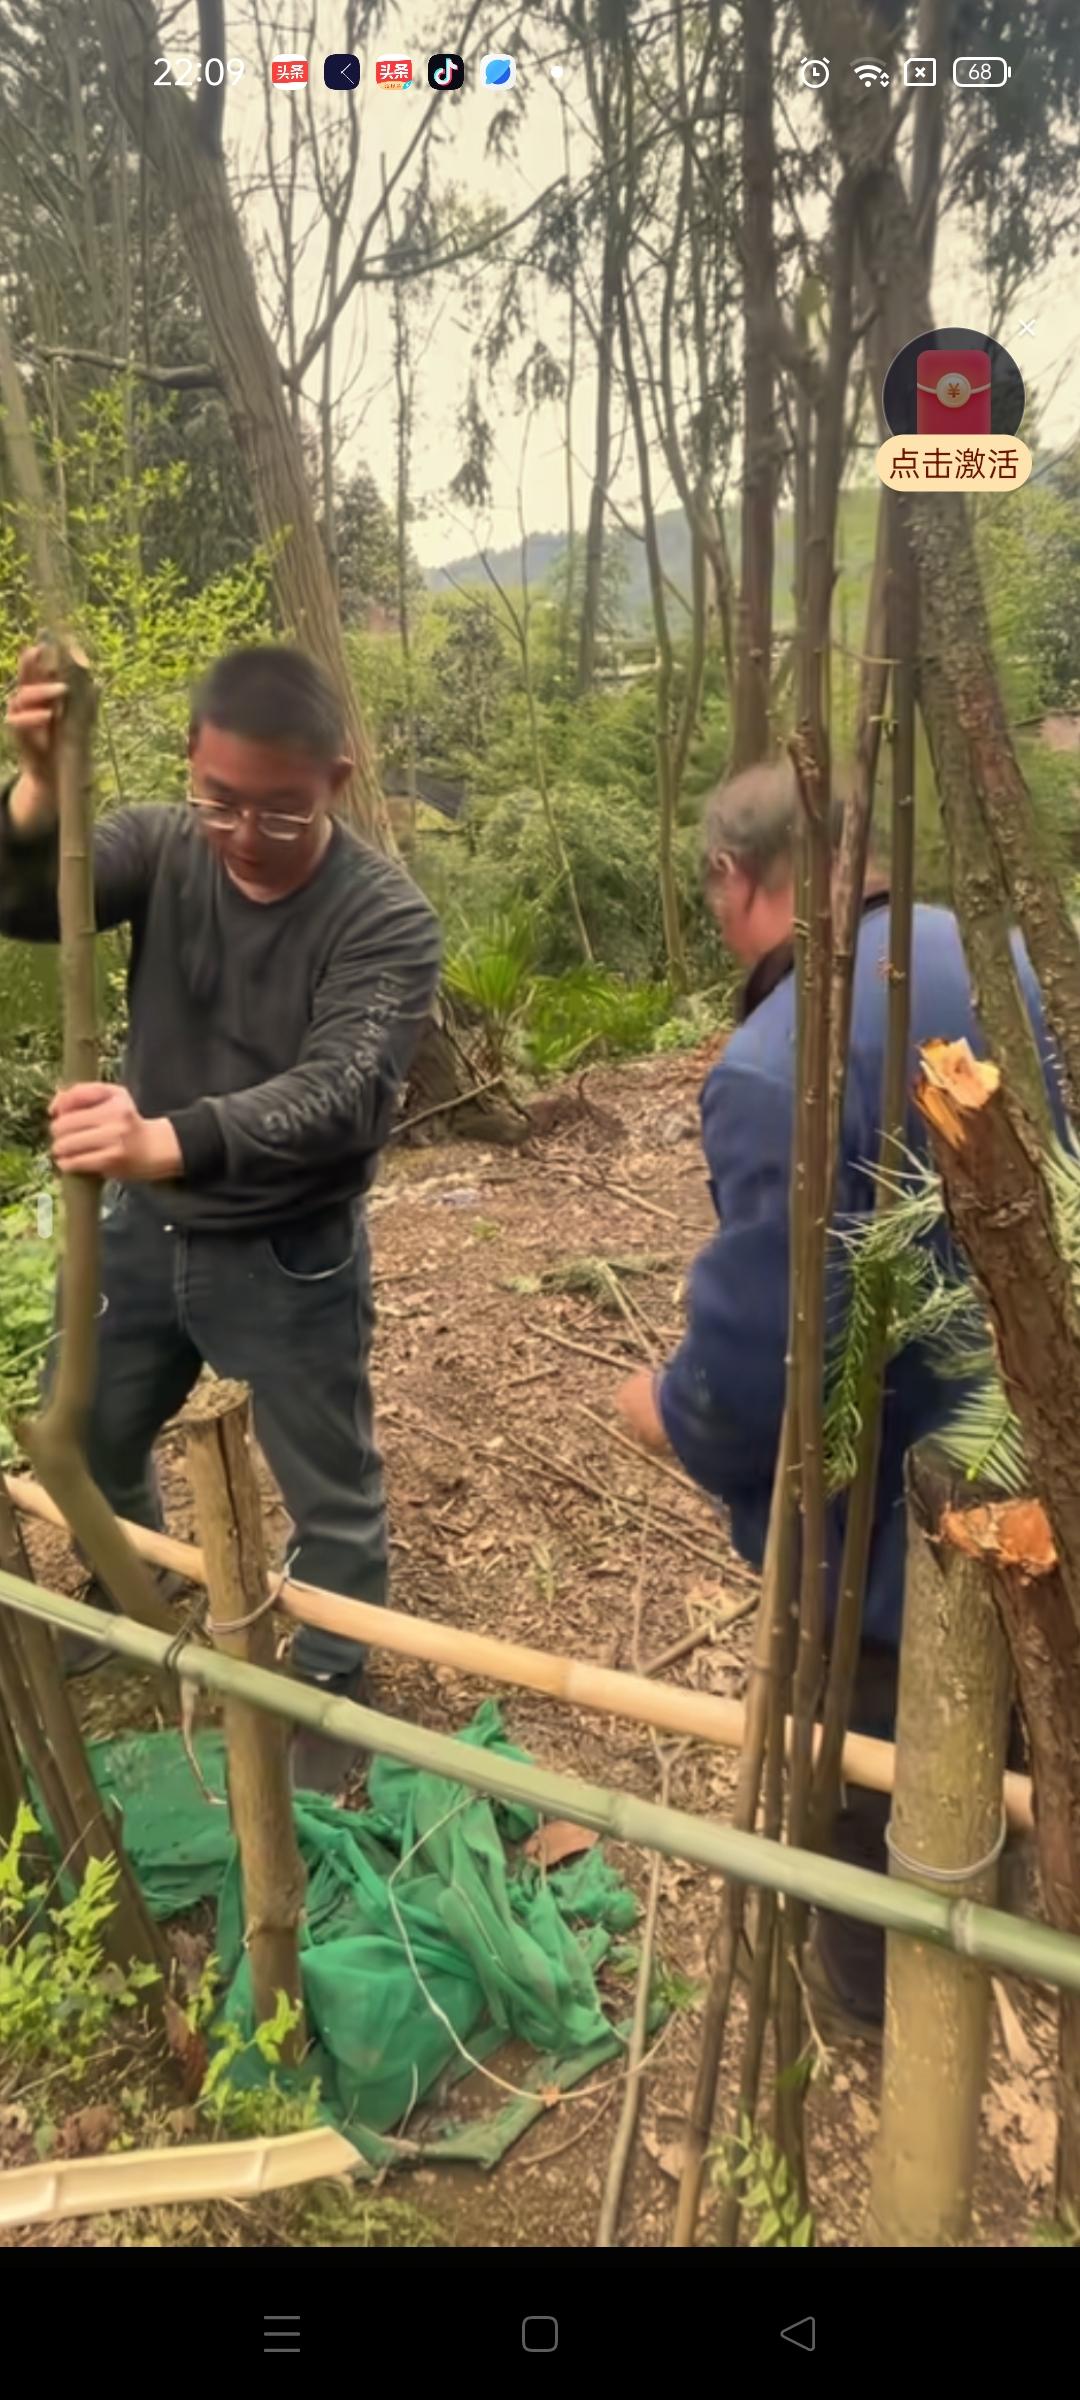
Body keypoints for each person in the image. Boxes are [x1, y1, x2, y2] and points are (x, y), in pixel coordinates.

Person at [616, 759, 1064, 2027]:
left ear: (730, 877)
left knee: (867, 1775)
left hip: (883, 1526)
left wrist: (672, 1409)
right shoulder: (995, 954)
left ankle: (877, 2001)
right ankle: (1002, 1888)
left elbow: (772, 1365)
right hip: (1028, 1455)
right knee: (1010, 1716)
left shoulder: (775, 1064)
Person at [0, 641, 441, 1794]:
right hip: (141, 1238)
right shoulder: (159, 847)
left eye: (284, 814)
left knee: (329, 1491)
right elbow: (30, 899)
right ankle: (132, 1584)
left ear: (336, 785)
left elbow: (343, 1090)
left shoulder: (385, 918)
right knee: (87, 1439)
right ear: (192, 767)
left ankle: (335, 1692)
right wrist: (40, 787)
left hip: (287, 1252)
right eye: (222, 802)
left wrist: (167, 1137)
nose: (246, 836)